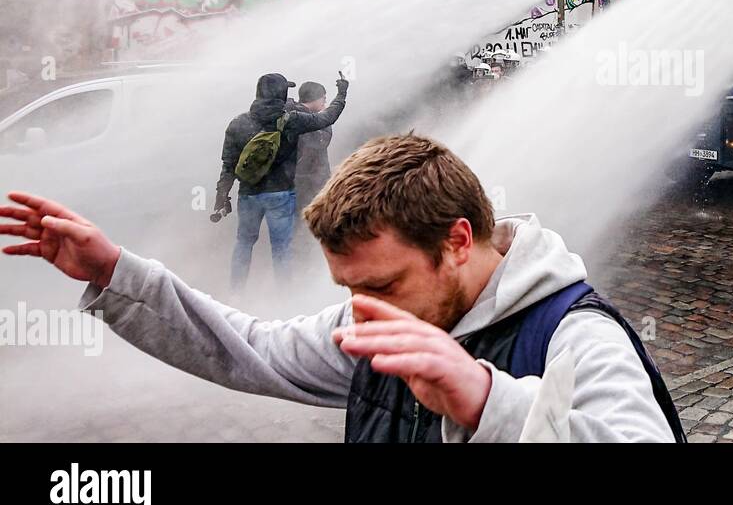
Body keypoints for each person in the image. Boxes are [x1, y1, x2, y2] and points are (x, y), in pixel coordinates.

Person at [0, 135, 684, 443]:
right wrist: (114, 271)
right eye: (351, 288)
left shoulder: (576, 335)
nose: (366, 311)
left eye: (384, 284)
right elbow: (249, 348)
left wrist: (485, 401)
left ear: (457, 239)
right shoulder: (373, 325)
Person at [215, 72, 348, 290]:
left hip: (248, 195)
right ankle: (284, 294)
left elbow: (228, 165)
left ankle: (236, 291)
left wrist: (222, 196)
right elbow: (326, 118)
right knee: (281, 248)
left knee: (244, 243)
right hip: (281, 194)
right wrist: (341, 93)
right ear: (281, 93)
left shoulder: (238, 123)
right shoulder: (290, 120)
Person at [290, 81, 335, 206]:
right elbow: (321, 142)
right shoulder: (306, 119)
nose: (324, 102)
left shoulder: (291, 114)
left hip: (294, 180)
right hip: (307, 181)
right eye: (323, 98)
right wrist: (325, 119)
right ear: (314, 98)